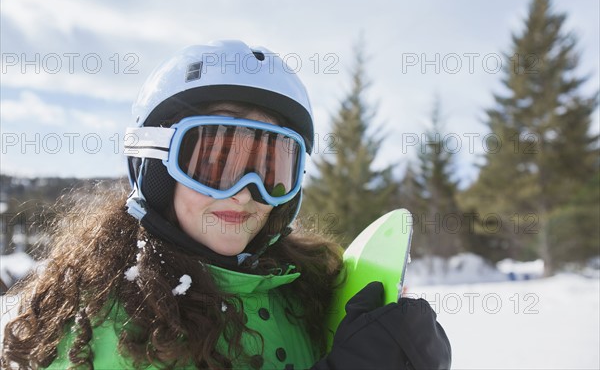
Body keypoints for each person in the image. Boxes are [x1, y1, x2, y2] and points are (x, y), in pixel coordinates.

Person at [1, 40, 451, 369]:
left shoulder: (303, 290)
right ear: (156, 166)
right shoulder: (102, 329)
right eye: (215, 163)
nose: (243, 191)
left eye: (270, 168)